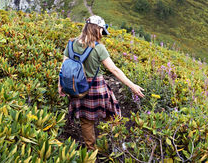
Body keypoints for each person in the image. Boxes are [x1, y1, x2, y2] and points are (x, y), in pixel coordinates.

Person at [58, 15, 145, 150]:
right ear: (96, 29)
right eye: (102, 31)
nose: (102, 35)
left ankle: (91, 149)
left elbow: (63, 68)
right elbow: (114, 70)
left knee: (86, 122)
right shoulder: (98, 48)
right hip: (96, 88)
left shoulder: (71, 43)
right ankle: (115, 144)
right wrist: (132, 86)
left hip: (77, 88)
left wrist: (61, 85)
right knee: (113, 115)